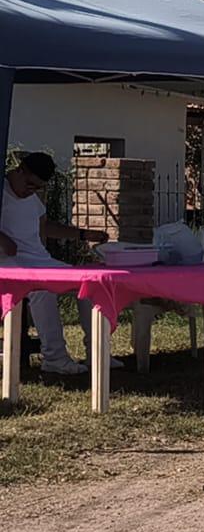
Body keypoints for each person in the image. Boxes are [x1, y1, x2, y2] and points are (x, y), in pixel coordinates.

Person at [0, 152, 119, 375]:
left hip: (40, 260)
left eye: (37, 187)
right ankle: (54, 357)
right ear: (19, 170)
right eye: (29, 184)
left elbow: (46, 228)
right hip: (9, 263)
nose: (30, 191)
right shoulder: (2, 192)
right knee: (42, 290)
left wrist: (84, 234)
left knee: (90, 283)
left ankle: (97, 351)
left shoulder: (33, 200)